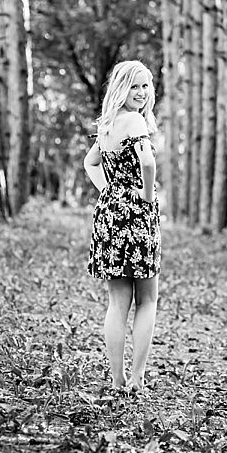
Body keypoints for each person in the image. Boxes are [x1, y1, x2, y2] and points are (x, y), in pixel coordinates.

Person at [86, 61, 161, 395]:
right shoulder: (134, 122)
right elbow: (147, 162)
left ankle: (117, 381)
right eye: (134, 86)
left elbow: (90, 163)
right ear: (121, 88)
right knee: (147, 300)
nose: (142, 93)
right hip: (136, 215)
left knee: (117, 304)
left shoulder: (108, 125)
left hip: (111, 214)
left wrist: (109, 190)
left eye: (145, 86)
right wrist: (146, 197)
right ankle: (137, 379)